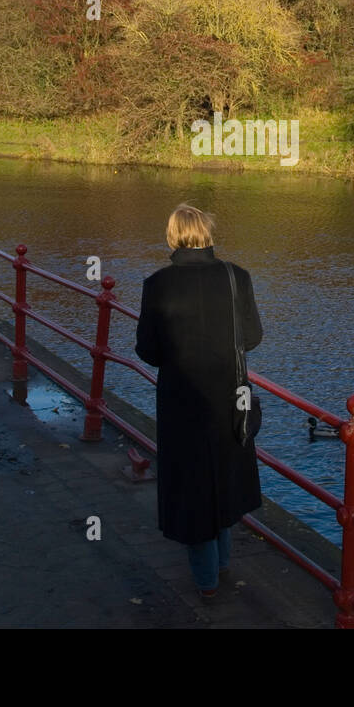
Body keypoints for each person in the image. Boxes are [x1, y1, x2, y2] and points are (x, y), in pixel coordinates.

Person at [135, 203, 262, 599]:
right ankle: (221, 564)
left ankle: (206, 582)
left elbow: (148, 351)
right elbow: (253, 337)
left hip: (182, 402)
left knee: (191, 489)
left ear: (173, 237)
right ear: (208, 234)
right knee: (222, 478)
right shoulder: (235, 276)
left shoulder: (157, 284)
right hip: (229, 398)